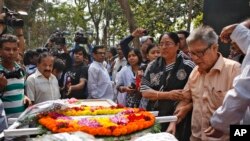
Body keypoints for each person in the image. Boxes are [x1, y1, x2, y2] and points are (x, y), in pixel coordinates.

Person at [167, 26, 241, 141]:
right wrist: (173, 121)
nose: (195, 58)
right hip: (196, 137)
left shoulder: (234, 70)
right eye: (191, 53)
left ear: (214, 48)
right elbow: (185, 98)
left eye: (199, 53)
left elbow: (243, 110)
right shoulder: (194, 73)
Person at [140, 32, 195, 141]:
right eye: (161, 44)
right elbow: (145, 91)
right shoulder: (152, 66)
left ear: (177, 45)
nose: (164, 47)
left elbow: (191, 96)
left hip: (179, 118)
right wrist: (168, 95)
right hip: (155, 116)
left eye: (168, 43)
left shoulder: (189, 66)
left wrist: (174, 119)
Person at [204, 19, 250, 138]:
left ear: (214, 48)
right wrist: (238, 30)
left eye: (201, 52)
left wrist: (220, 123)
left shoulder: (234, 67)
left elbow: (242, 92)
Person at [0, 34, 31, 119]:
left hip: (22, 121)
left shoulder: (21, 70)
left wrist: (25, 97)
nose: (11, 52)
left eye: (14, 49)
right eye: (7, 49)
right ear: (0, 51)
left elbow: (22, 91)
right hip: (3, 124)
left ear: (18, 51)